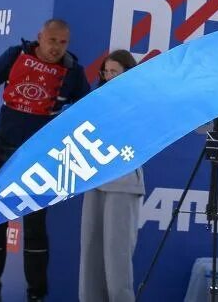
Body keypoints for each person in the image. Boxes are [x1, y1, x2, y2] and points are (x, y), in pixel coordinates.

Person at [0, 19, 89, 302]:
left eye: (63, 42)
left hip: (41, 162)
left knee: (34, 229)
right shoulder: (15, 55)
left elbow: (86, 112)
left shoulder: (73, 72)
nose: (57, 47)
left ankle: (36, 295)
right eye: (52, 40)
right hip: (3, 152)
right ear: (40, 37)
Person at [79, 50, 143, 302]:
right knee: (91, 258)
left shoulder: (139, 103)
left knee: (117, 261)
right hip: (95, 182)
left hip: (123, 185)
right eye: (106, 72)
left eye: (114, 71)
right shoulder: (96, 102)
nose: (108, 76)